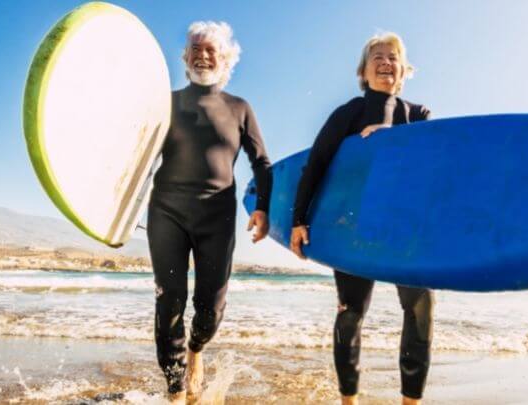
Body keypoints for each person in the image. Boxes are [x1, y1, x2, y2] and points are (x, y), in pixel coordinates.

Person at [290, 32, 434, 405]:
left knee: (420, 307)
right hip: (354, 226)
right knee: (351, 312)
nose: (386, 63)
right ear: (364, 70)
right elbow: (316, 166)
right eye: (378, 57)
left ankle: (410, 401)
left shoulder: (418, 116)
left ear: (403, 71)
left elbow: (432, 162)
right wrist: (298, 221)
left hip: (405, 228)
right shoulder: (348, 114)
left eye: (393, 58)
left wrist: (391, 138)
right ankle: (348, 401)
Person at [147, 21, 272, 403]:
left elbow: (262, 163)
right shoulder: (165, 103)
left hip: (216, 217)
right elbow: (137, 156)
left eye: (210, 50)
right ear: (185, 57)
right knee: (170, 300)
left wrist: (263, 208)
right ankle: (174, 390)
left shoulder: (239, 108)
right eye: (195, 49)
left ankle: (196, 350)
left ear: (225, 58)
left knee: (210, 309)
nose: (202, 55)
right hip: (167, 210)